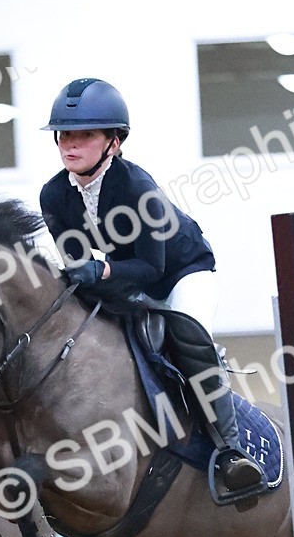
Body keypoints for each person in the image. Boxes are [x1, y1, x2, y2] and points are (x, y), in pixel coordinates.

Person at [39, 77, 266, 501]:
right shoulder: (54, 195)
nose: (70, 144)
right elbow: (77, 265)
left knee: (188, 338)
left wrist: (101, 272)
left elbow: (150, 267)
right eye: (64, 134)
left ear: (114, 142)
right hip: (125, 278)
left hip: (182, 273)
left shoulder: (138, 188)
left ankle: (232, 453)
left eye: (85, 135)